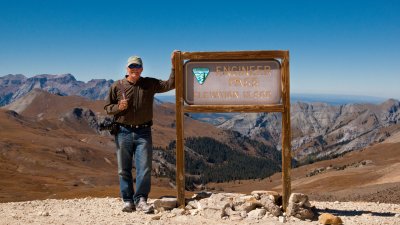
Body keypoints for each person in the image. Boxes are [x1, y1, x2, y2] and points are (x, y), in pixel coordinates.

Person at [104, 51, 177, 213]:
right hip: (123, 131)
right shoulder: (117, 86)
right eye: (132, 66)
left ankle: (141, 199)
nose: (135, 69)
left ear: (142, 69)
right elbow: (107, 108)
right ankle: (128, 201)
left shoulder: (149, 83)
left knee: (144, 168)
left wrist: (174, 66)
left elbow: (170, 84)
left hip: (144, 131)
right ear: (127, 68)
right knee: (124, 168)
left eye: (138, 66)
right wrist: (118, 107)